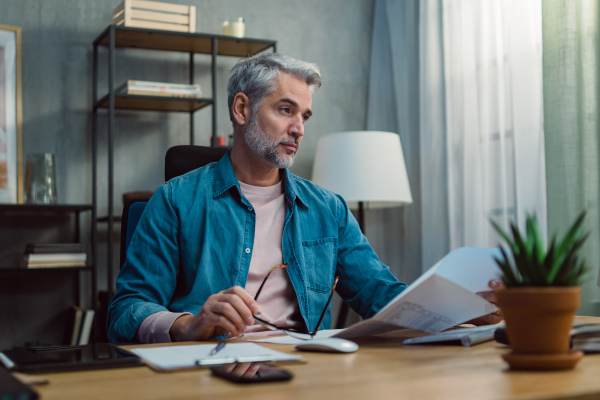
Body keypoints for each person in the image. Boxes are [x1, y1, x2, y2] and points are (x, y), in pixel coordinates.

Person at [107, 53, 501, 344]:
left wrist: (466, 310)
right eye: (285, 110)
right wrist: (186, 324)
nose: (298, 129)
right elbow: (125, 309)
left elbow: (380, 293)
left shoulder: (328, 208)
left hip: (306, 372)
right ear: (242, 109)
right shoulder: (174, 200)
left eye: (305, 117)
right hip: (208, 370)